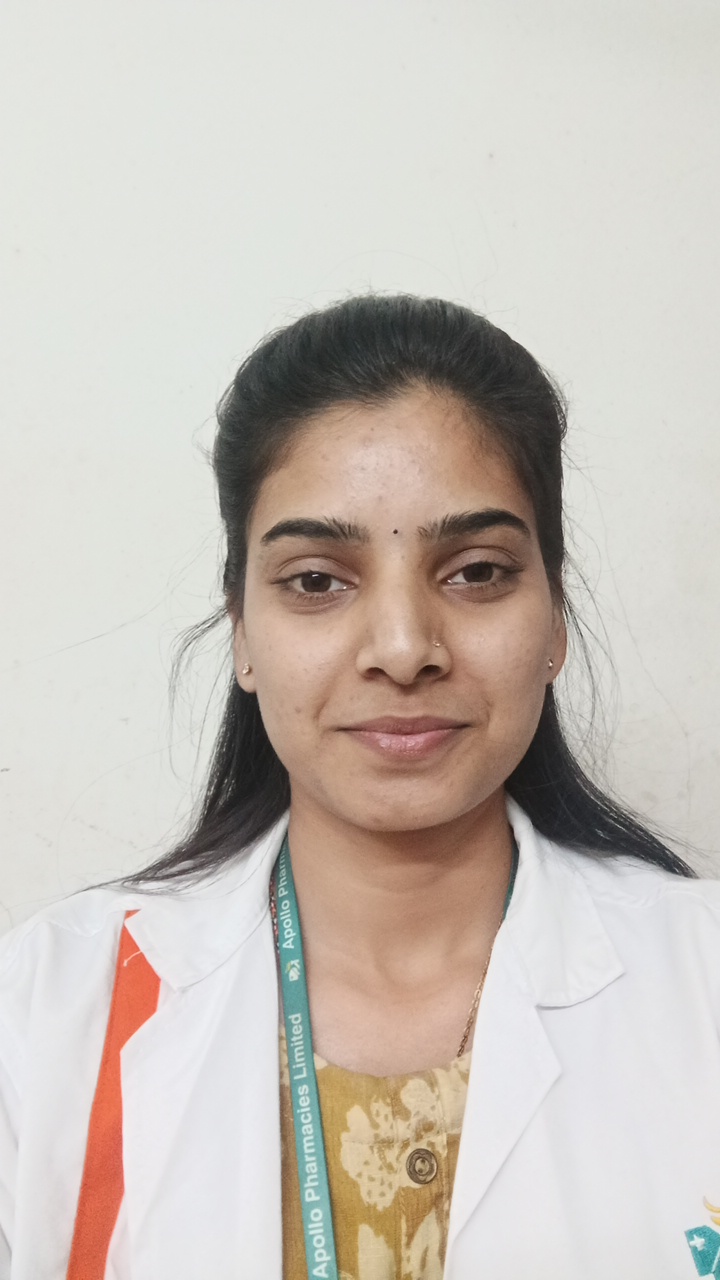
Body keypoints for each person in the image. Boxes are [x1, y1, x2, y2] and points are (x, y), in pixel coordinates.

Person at [0, 295, 718, 1280]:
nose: (404, 647)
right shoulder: (45, 1013)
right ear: (242, 632)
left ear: (555, 618)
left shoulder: (701, 986)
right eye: (316, 581)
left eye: (476, 571)